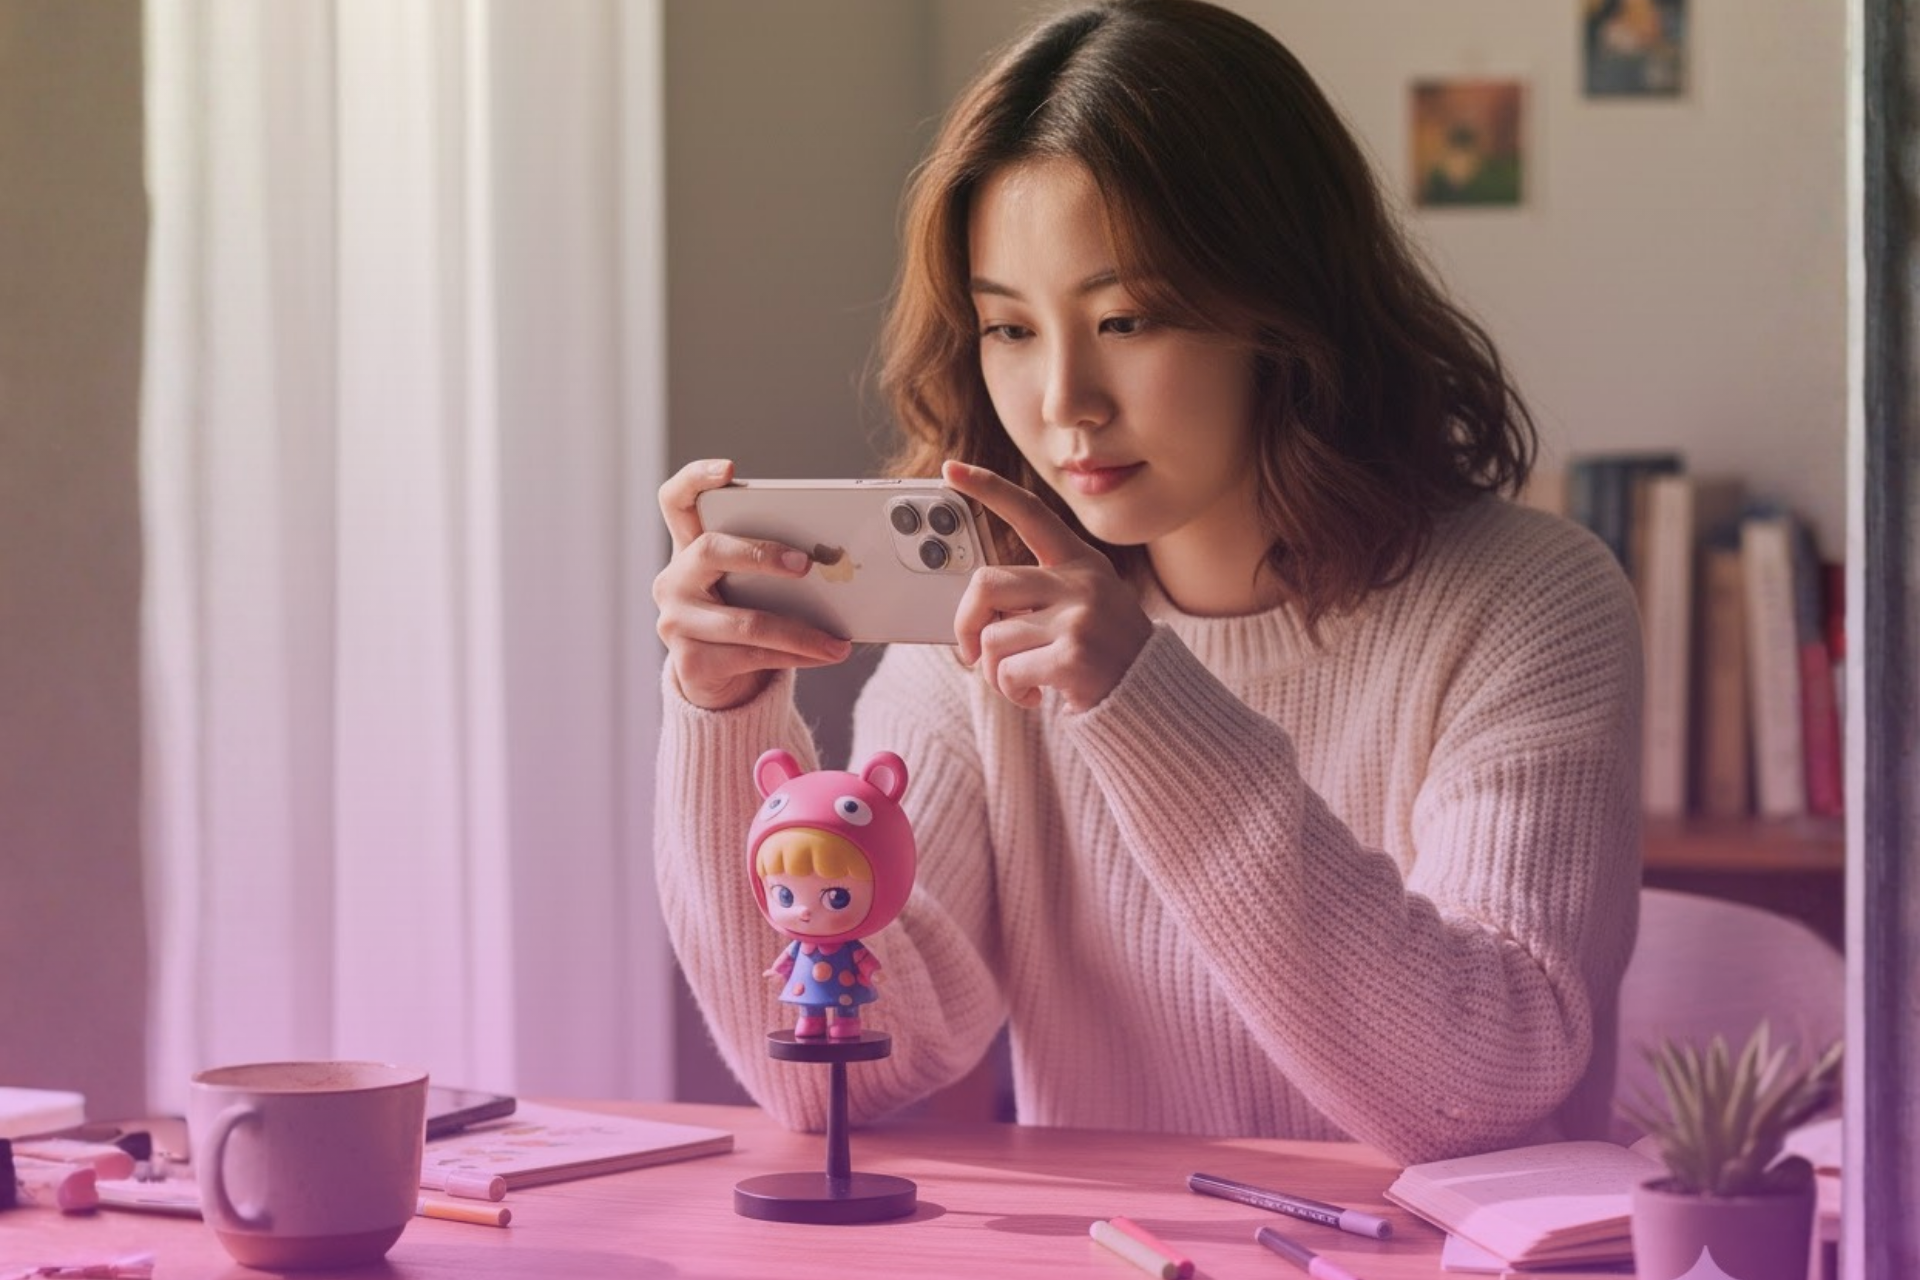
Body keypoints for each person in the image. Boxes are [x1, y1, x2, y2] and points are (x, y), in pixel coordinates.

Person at [652, 0, 1640, 1164]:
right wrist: (724, 716)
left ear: (1286, 306)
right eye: (1009, 328)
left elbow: (1475, 1084)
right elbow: (831, 1075)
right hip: (1124, 1245)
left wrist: (1144, 702)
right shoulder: (985, 625)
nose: (1064, 399)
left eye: (1126, 318)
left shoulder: (1530, 600)